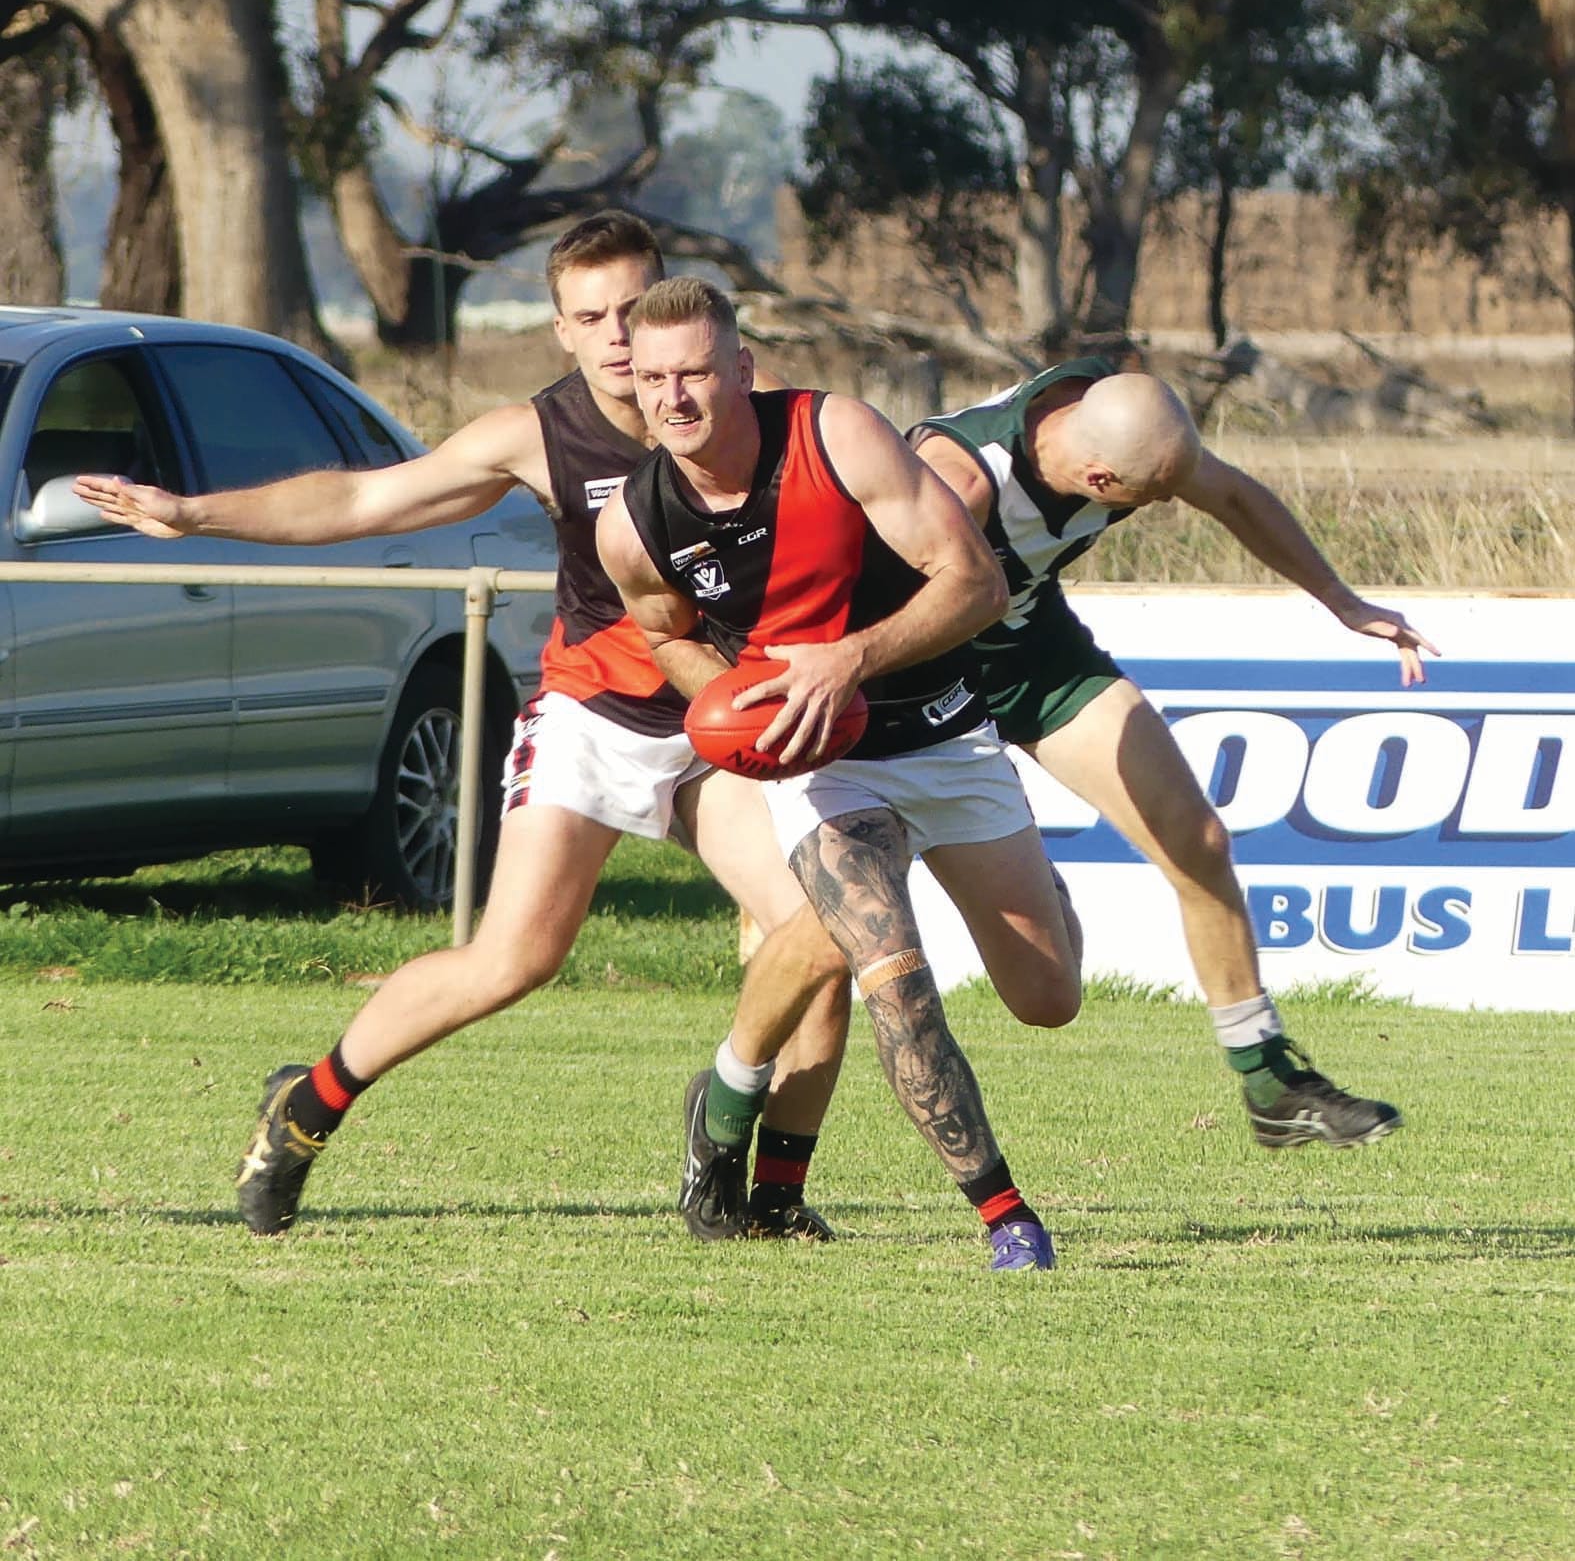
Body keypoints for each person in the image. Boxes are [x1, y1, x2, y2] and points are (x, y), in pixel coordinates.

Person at [73, 211, 851, 1241]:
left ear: (676, 309)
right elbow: (361, 499)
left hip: (718, 726)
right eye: (591, 316)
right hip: (594, 719)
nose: (621, 337)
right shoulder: (536, 434)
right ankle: (307, 1104)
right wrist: (193, 513)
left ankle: (765, 1194)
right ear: (563, 332)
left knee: (826, 933)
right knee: (512, 959)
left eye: (633, 307)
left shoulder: (754, 410)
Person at [597, 276, 1085, 1272]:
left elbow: (977, 583)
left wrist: (847, 658)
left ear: (740, 367)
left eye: (694, 371)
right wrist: (745, 704)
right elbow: (668, 637)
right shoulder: (634, 524)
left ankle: (725, 1086)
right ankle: (1005, 1214)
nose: (675, 398)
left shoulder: (841, 436)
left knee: (1048, 993)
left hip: (946, 734)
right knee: (891, 969)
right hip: (827, 769)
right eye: (652, 379)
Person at [909, 359, 1438, 1147]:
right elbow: (846, 592)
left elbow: (1228, 493)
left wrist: (1343, 603)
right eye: (1147, 496)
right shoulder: (959, 481)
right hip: (918, 678)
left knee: (1198, 840)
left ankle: (1268, 1081)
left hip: (1031, 653)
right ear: (1097, 475)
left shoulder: (1129, 423)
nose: (1162, 505)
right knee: (1045, 995)